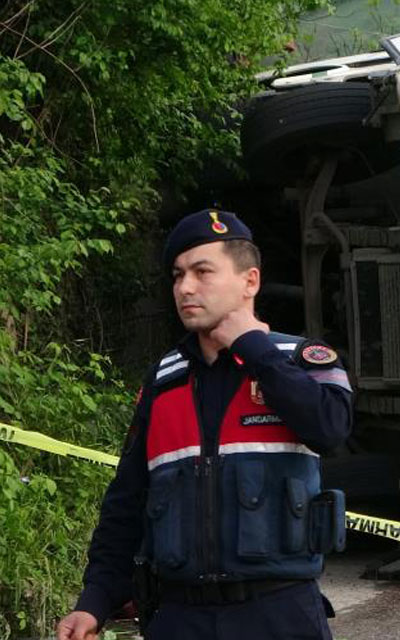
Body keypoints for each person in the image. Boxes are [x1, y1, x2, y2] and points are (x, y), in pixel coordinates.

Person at [57, 209, 353, 640]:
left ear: (250, 281)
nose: (185, 288)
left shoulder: (298, 361)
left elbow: (329, 427)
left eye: (202, 272)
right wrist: (95, 600)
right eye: (178, 275)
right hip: (179, 617)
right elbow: (127, 502)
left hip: (280, 613)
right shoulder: (164, 382)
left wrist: (254, 348)